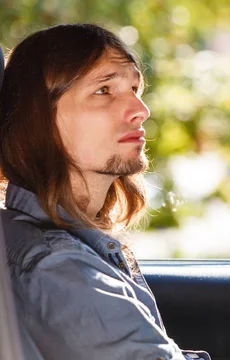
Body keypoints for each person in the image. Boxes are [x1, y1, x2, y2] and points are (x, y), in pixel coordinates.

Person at [0, 24, 210, 360]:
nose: (141, 109)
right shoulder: (61, 272)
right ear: (38, 118)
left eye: (134, 87)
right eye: (104, 91)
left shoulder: (50, 249)